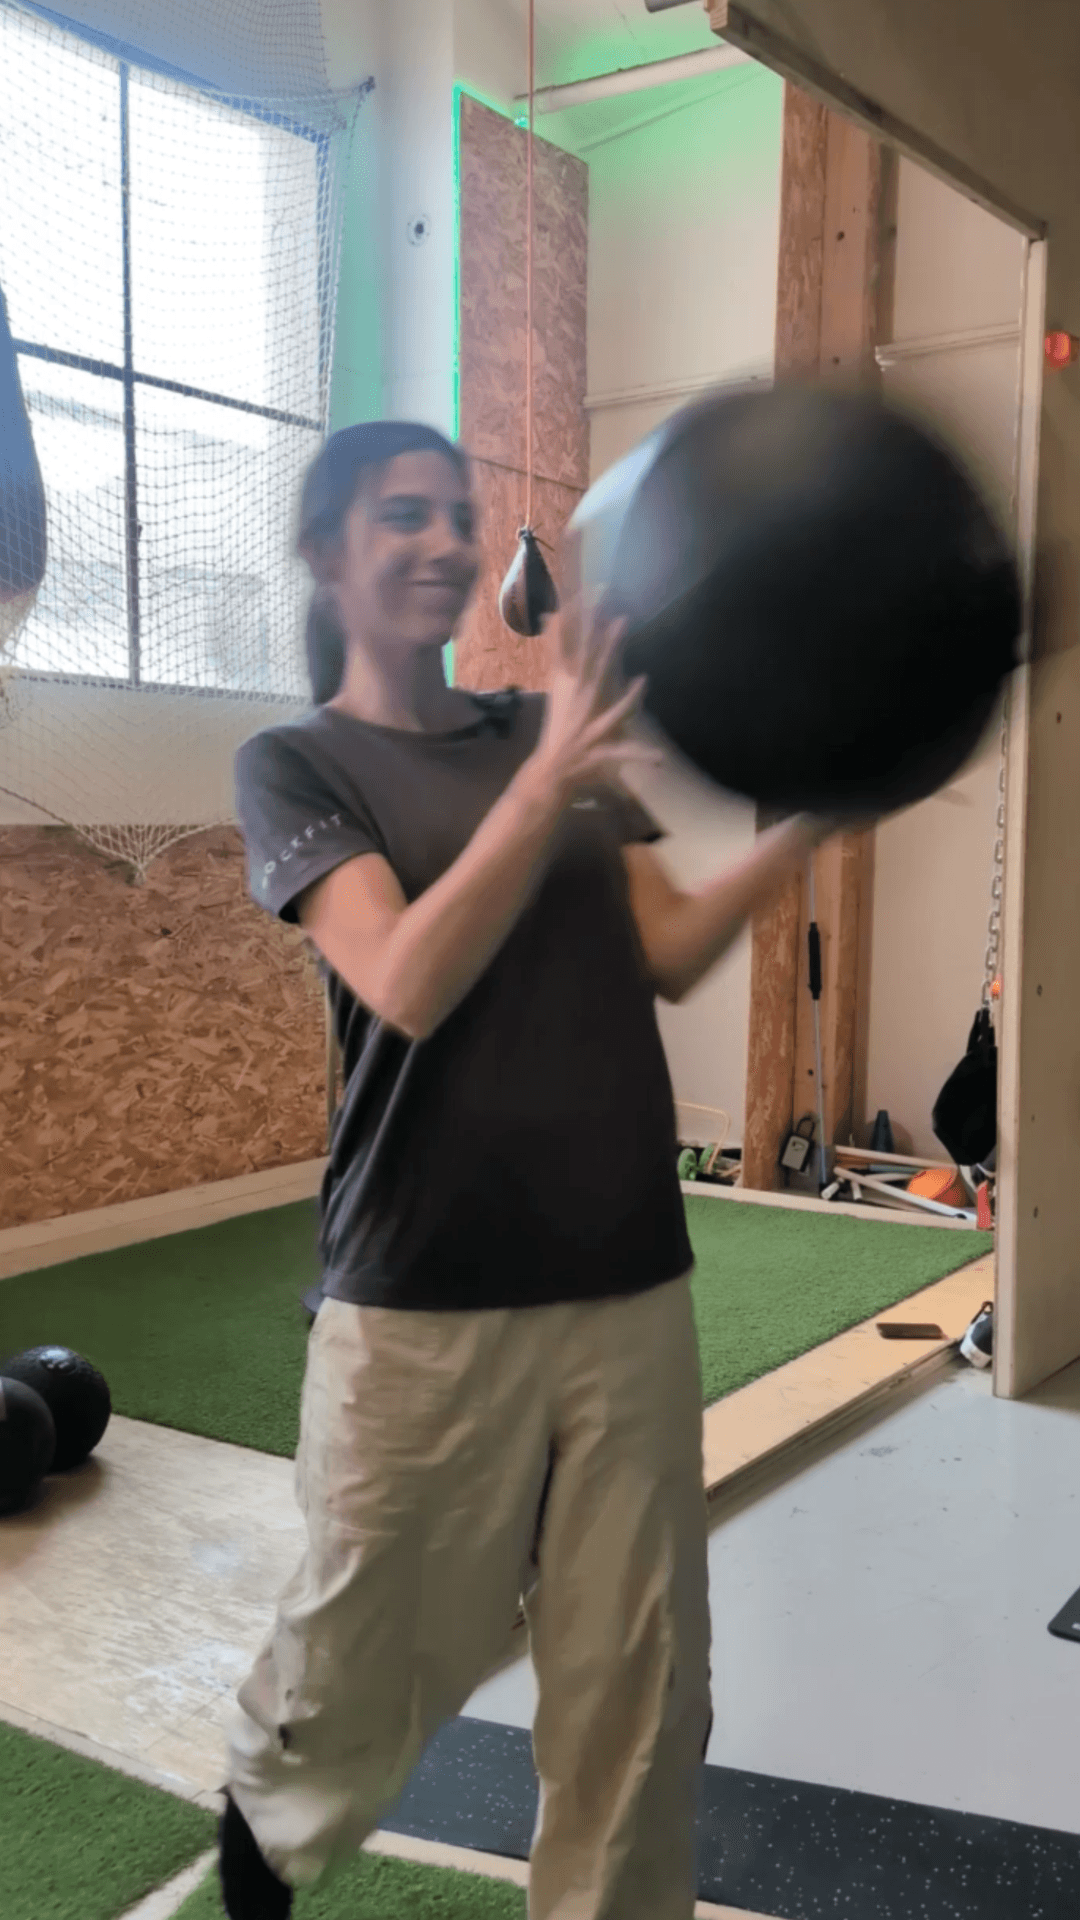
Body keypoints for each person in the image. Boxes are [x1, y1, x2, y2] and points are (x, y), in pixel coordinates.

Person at [221, 419, 837, 1920]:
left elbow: (671, 947)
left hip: (627, 1285)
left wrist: (829, 811)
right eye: (402, 516)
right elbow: (406, 981)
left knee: (638, 1691)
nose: (441, 541)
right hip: (420, 1300)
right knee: (362, 1671)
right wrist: (548, 778)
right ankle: (265, 1833)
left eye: (458, 515)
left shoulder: (532, 733)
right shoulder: (299, 760)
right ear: (327, 552)